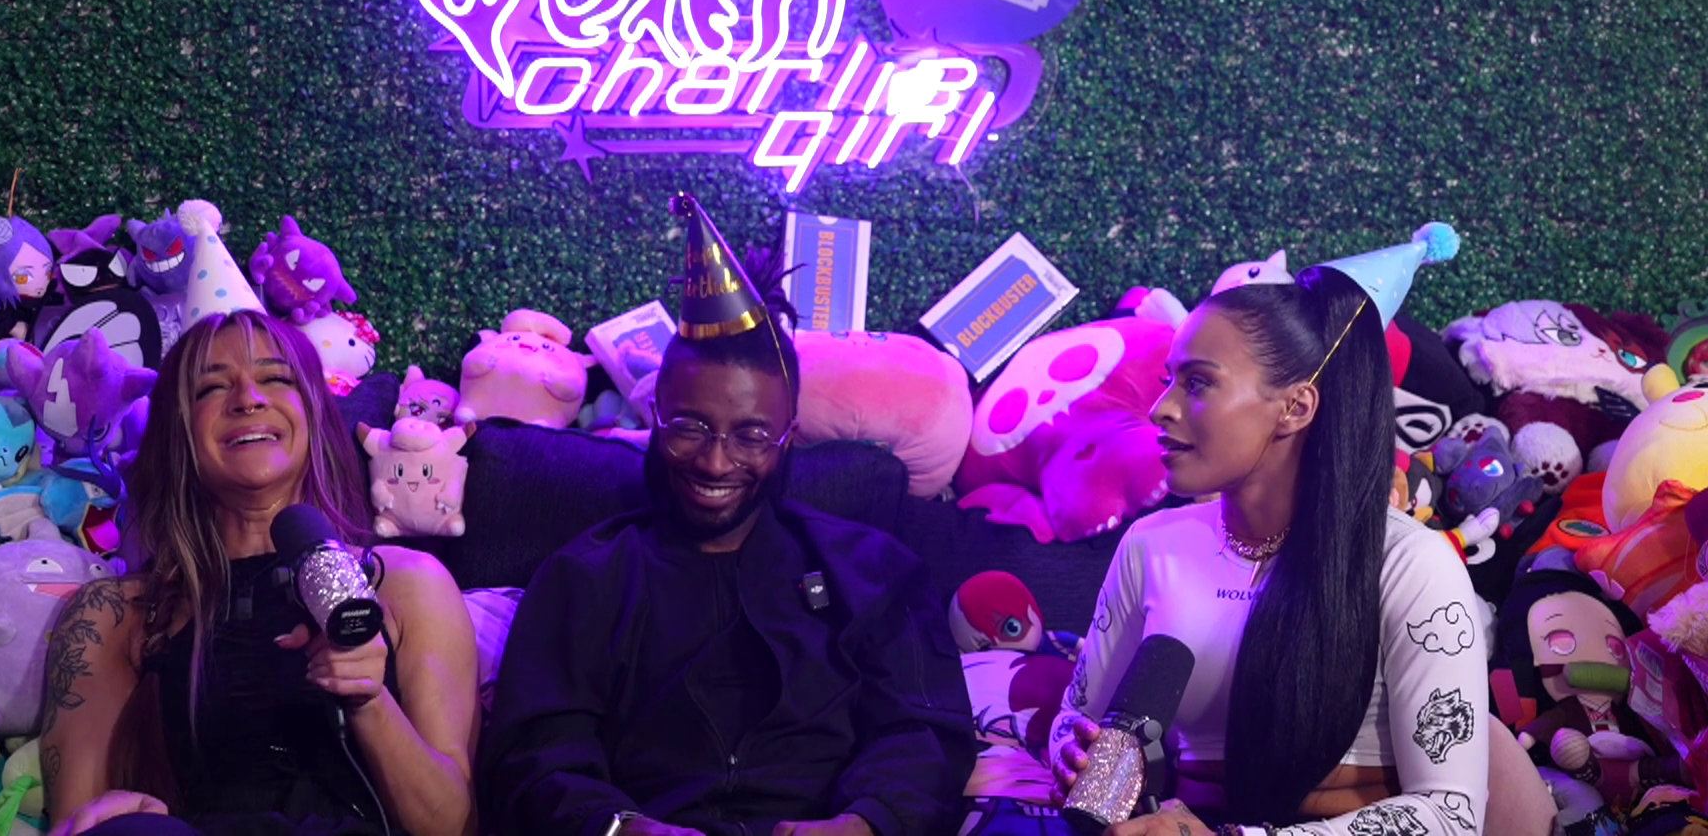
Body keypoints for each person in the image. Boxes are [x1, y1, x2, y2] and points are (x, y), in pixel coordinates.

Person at [478, 194, 975, 836]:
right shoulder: (583, 578)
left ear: (788, 438)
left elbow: (923, 732)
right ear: (655, 417)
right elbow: (532, 762)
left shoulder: (875, 570)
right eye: (690, 426)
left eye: (751, 435)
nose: (716, 462)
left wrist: (862, 824)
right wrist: (625, 828)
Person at [1050, 266, 1549, 834]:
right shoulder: (1149, 547)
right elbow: (1077, 716)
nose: (1161, 408)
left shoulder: (1411, 564)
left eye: (1198, 383)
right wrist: (1071, 752)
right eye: (1169, 381)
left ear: (1296, 406)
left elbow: (1450, 815)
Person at [39, 308, 481, 836]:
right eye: (211, 388)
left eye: (276, 379)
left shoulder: (407, 583)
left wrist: (370, 701)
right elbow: (79, 824)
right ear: (179, 429)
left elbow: (451, 824)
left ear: (313, 412)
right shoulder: (113, 616)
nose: (248, 399)